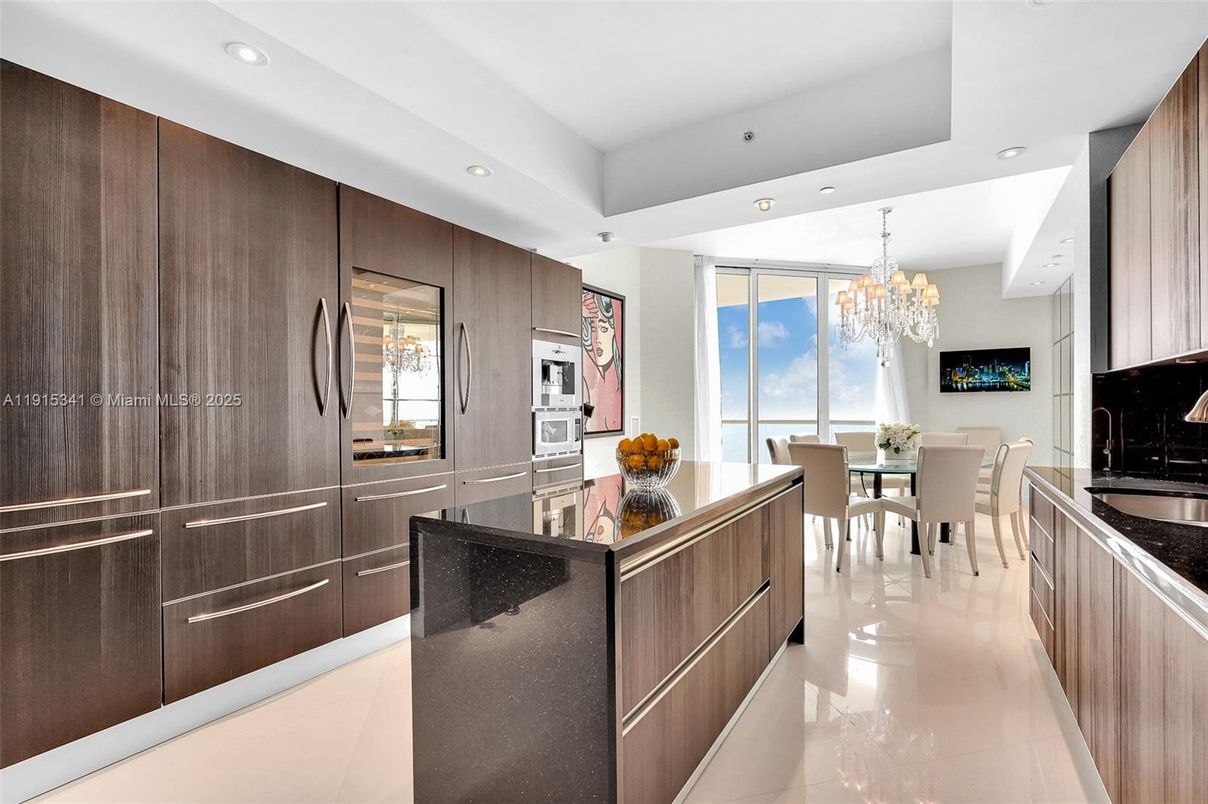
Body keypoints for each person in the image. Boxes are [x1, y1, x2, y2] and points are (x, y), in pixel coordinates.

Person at [582, 291, 622, 432]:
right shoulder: (588, 373)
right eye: (594, 328)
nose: (597, 338)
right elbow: (588, 413)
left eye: (604, 329)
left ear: (615, 334)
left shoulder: (615, 385)